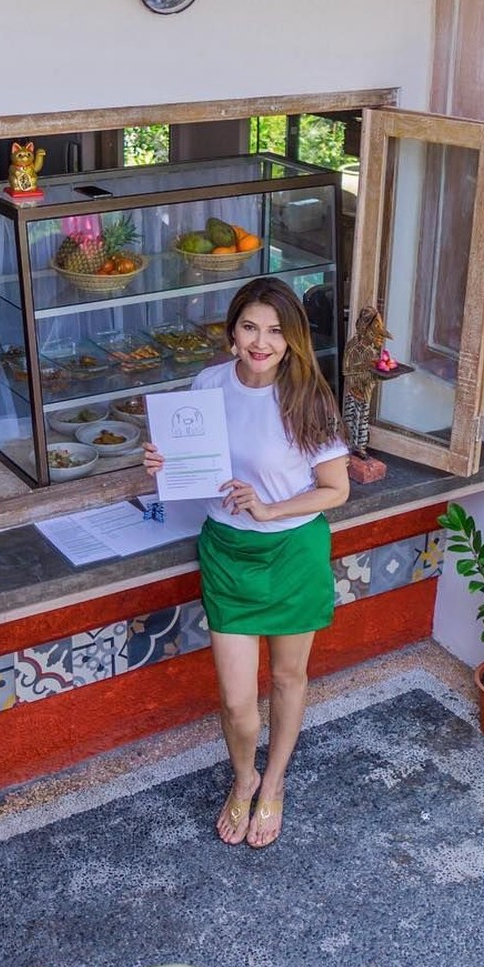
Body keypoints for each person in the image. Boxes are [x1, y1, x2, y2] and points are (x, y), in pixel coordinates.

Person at [143, 277, 350, 848]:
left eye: (277, 331)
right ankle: (243, 778)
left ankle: (274, 783)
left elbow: (335, 490)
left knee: (288, 678)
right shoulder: (208, 384)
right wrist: (163, 459)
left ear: (293, 340)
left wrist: (270, 507)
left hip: (291, 550)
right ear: (233, 331)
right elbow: (191, 463)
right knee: (236, 701)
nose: (262, 342)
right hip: (228, 550)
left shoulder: (309, 396)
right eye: (251, 327)